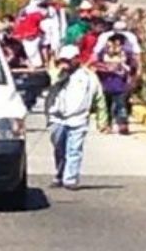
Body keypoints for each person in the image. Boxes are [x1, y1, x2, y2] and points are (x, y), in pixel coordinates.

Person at [45, 45, 105, 190]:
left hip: (78, 119)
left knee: (74, 150)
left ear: (77, 59)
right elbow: (47, 85)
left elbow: (99, 98)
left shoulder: (88, 77)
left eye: (68, 60)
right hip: (57, 118)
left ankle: (70, 179)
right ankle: (60, 174)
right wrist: (58, 74)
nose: (65, 63)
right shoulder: (56, 73)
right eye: (63, 60)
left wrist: (102, 120)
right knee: (59, 148)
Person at [94, 34, 137, 135]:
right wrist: (105, 69)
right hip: (106, 85)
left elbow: (132, 68)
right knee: (106, 107)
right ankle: (106, 125)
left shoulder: (126, 56)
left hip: (120, 86)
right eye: (112, 45)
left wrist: (129, 75)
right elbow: (96, 66)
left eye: (119, 45)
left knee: (121, 106)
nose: (115, 48)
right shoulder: (103, 55)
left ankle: (123, 126)